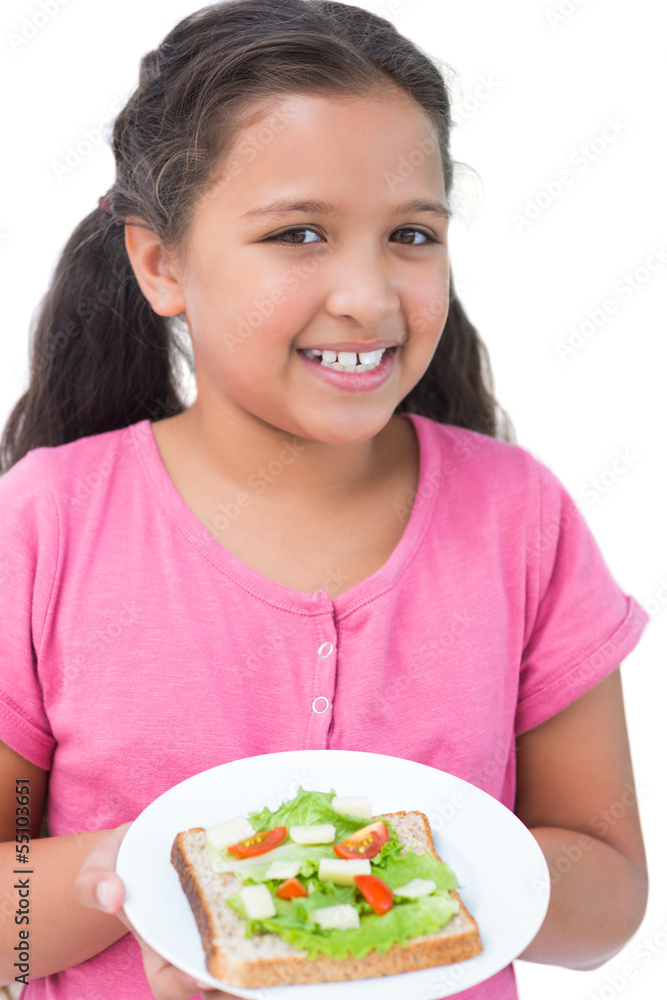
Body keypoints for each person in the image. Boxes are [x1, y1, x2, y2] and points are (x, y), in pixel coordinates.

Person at [0, 1, 650, 998]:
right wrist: (148, 868)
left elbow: (608, 905)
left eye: (410, 234)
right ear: (161, 263)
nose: (369, 296)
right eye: (298, 233)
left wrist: (413, 868)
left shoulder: (519, 516)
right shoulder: (46, 525)